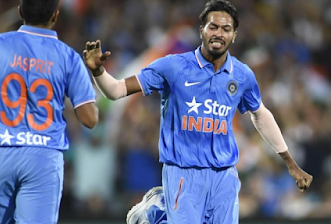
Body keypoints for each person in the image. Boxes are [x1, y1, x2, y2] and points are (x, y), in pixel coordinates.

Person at [82, 0, 312, 223]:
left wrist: (290, 163)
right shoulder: (173, 66)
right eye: (213, 27)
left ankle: (158, 216)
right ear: (201, 30)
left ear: (234, 35)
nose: (219, 33)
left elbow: (260, 114)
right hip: (183, 173)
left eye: (226, 29)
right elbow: (116, 90)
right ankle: (157, 213)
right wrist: (98, 71)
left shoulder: (242, 75)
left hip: (224, 176)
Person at [0, 0, 99, 223]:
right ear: (55, 16)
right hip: (43, 157)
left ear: (19, 12)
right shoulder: (69, 57)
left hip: (1, 155)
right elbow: (90, 119)